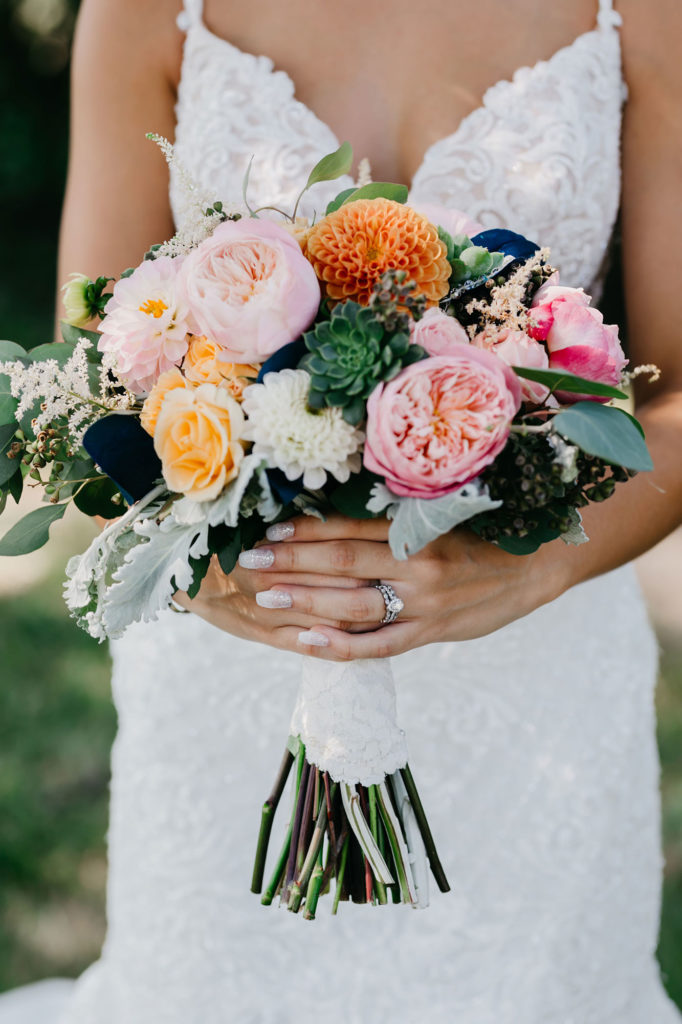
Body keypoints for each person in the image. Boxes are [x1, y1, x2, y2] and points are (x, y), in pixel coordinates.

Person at [2, 0, 682, 1020]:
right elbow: (95, 380)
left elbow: (675, 394)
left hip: (537, 676)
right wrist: (216, 573)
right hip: (234, 679)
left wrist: (524, 568)